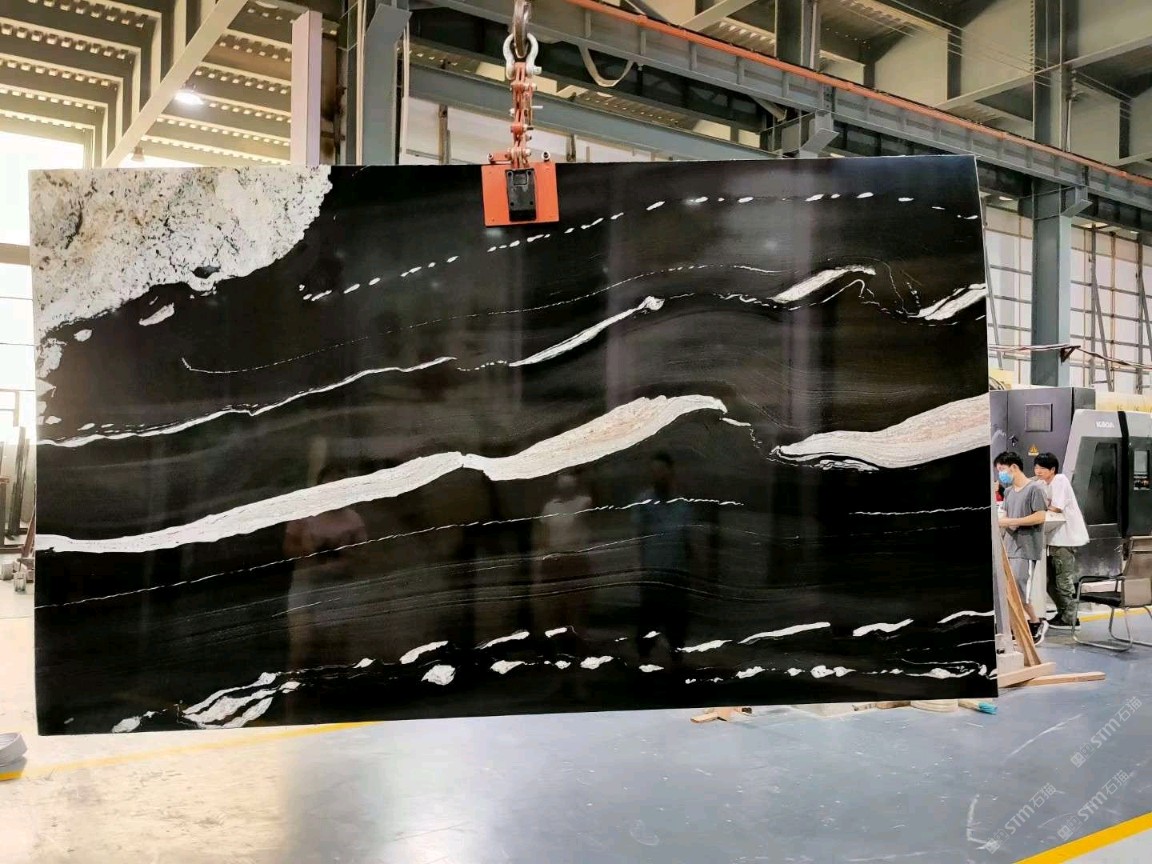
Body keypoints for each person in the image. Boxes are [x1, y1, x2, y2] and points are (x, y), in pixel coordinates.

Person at [632, 452, 694, 661]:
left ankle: (676, 666)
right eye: (654, 471)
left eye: (661, 470)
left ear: (670, 471)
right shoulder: (644, 501)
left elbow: (688, 539)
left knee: (677, 626)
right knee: (648, 624)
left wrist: (695, 569)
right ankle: (644, 664)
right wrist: (638, 567)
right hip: (653, 573)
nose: (657, 475)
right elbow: (638, 537)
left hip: (676, 574)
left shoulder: (682, 504)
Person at [994, 451, 1049, 645]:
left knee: (1020, 589)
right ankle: (1011, 628)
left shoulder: (1034, 489)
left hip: (1026, 548)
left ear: (1014, 467)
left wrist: (1012, 521)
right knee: (1007, 590)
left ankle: (1036, 622)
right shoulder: (1009, 492)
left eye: (1002, 469)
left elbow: (1040, 516)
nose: (1000, 474)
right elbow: (1004, 515)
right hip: (1009, 547)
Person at [1033, 452, 1089, 629]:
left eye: (1042, 468)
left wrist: (1040, 508)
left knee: (1063, 581)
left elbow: (1056, 507)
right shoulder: (1042, 483)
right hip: (1053, 540)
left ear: (1052, 469)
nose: (1038, 471)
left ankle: (1071, 618)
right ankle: (1063, 613)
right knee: (1050, 582)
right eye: (1036, 467)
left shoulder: (1060, 480)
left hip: (1065, 539)